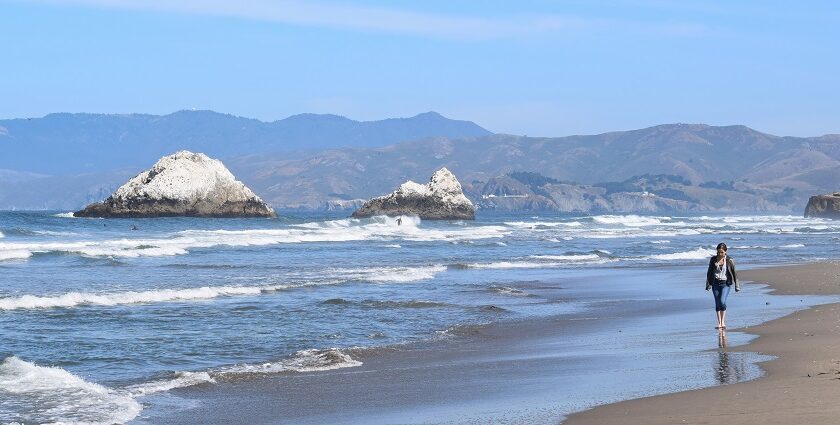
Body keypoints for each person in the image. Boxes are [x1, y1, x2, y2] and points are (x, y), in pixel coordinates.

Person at [706, 243, 739, 329]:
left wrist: (737, 285)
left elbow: (734, 273)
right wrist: (708, 284)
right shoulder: (713, 259)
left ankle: (723, 321)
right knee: (717, 303)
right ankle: (720, 323)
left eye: (722, 252)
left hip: (725, 283)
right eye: (718, 252)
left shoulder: (730, 260)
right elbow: (709, 272)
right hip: (715, 283)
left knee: (722, 301)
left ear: (725, 251)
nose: (720, 254)